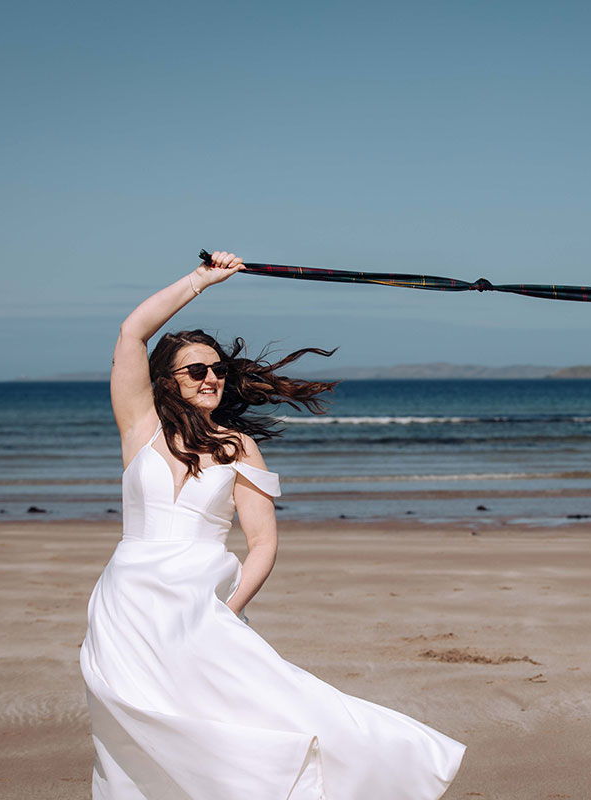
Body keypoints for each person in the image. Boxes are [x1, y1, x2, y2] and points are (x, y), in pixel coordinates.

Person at [79, 251, 465, 799]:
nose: (211, 377)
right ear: (166, 381)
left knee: (267, 714)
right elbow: (131, 332)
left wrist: (226, 613)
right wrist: (201, 281)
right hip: (126, 606)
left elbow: (262, 543)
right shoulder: (139, 427)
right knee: (134, 729)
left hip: (200, 607)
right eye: (197, 370)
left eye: (217, 369)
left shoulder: (239, 446)